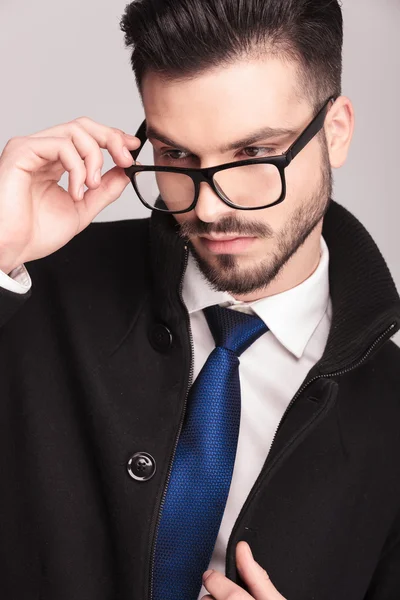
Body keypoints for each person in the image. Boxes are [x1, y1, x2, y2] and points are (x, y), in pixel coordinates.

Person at [0, 0, 399, 598]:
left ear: (335, 131)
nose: (209, 208)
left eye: (253, 154)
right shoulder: (33, 285)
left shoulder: (389, 416)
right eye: (176, 155)